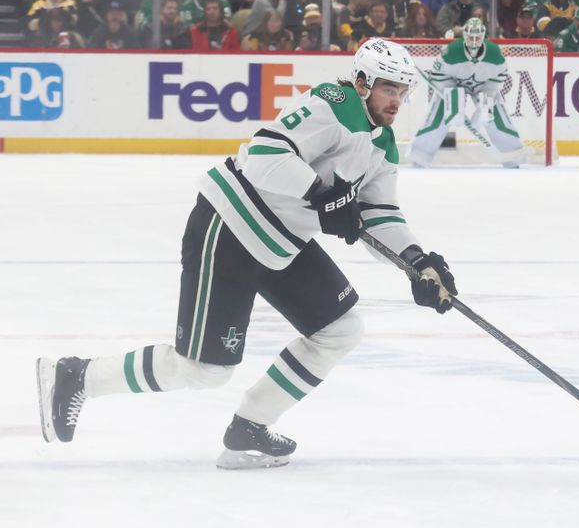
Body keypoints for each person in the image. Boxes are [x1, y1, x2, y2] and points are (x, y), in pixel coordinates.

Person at [37, 38, 457, 471]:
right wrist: (322, 194)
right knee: (205, 370)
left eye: (404, 92)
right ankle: (77, 376)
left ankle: (250, 427)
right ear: (364, 82)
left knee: (341, 329)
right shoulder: (332, 104)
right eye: (391, 89)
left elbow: (378, 213)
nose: (398, 101)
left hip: (281, 243)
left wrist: (416, 262)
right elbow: (263, 154)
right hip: (231, 225)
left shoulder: (383, 145)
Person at [408, 18, 526, 169]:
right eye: (471, 36)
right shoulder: (451, 51)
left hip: (484, 87)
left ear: (483, 36)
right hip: (453, 85)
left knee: (493, 114)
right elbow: (437, 75)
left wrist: (486, 101)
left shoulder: (495, 53)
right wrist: (451, 98)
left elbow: (499, 76)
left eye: (477, 37)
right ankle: (420, 155)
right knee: (440, 113)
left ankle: (513, 154)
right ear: (464, 35)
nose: (474, 40)